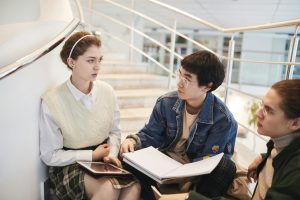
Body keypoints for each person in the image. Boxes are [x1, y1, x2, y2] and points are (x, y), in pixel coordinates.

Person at [120, 50, 238, 200]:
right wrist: (133, 140)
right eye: (180, 74)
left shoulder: (223, 120)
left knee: (225, 167)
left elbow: (213, 161)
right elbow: (151, 135)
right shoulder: (166, 102)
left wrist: (183, 175)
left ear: (207, 87)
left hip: (196, 175)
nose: (179, 83)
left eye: (187, 79)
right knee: (128, 155)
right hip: (164, 165)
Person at [156, 79, 300, 200]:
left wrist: (190, 198)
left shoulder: (295, 172)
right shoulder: (279, 143)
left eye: (269, 110)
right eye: (262, 105)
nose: (258, 113)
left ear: (295, 123)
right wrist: (264, 157)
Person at [39, 31, 140, 200]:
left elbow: (114, 133)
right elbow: (50, 155)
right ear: (72, 62)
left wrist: (112, 155)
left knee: (134, 188)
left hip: (103, 160)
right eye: (90, 60)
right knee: (109, 188)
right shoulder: (52, 101)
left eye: (99, 60)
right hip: (70, 164)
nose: (97, 67)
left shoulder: (107, 91)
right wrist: (91, 156)